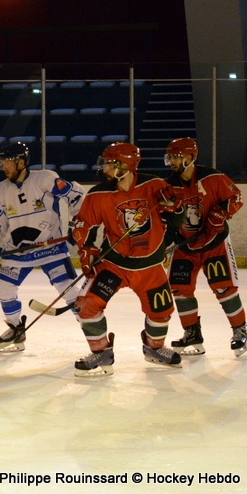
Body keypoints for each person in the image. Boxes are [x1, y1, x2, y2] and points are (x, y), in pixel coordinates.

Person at [70, 142, 185, 376]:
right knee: (86, 306)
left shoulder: (154, 186)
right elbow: (84, 226)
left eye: (110, 165)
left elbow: (177, 221)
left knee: (161, 312)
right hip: (114, 264)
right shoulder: (98, 194)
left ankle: (154, 348)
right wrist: (86, 250)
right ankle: (101, 353)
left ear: (126, 166)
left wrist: (175, 208)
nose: (104, 169)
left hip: (150, 266)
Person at [0, 142, 85, 352]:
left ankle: (92, 331)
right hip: (19, 250)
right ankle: (15, 329)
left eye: (8, 162)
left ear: (22, 162)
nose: (4, 167)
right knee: (4, 287)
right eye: (2, 163)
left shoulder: (44, 179)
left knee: (68, 291)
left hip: (52, 248)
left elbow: (77, 195)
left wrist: (77, 224)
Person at [163, 137, 247, 357]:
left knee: (224, 288)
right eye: (171, 156)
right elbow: (166, 221)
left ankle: (239, 331)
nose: (173, 161)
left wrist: (221, 213)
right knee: (180, 290)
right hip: (185, 246)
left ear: (191, 157)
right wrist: (163, 244)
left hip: (214, 244)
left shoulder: (213, 177)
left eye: (177, 156)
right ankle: (192, 333)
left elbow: (236, 197)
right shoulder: (168, 187)